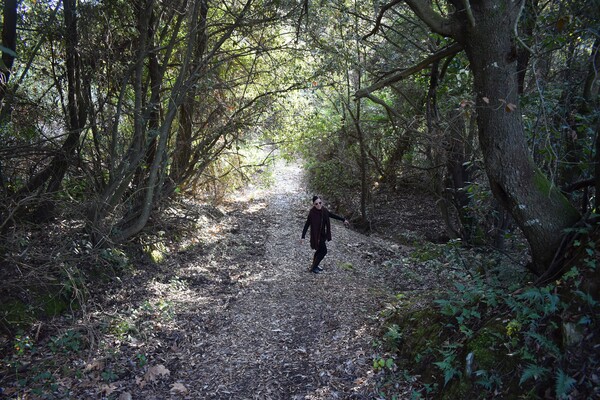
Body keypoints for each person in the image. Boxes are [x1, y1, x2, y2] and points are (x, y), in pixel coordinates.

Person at [301, 195, 349, 273]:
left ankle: (314, 265)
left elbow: (332, 215)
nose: (319, 205)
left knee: (319, 250)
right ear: (314, 204)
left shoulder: (324, 211)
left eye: (320, 203)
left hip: (323, 235)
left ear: (321, 202)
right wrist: (303, 237)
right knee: (324, 251)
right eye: (316, 204)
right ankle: (314, 268)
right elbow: (307, 225)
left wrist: (343, 219)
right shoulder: (312, 213)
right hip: (316, 236)